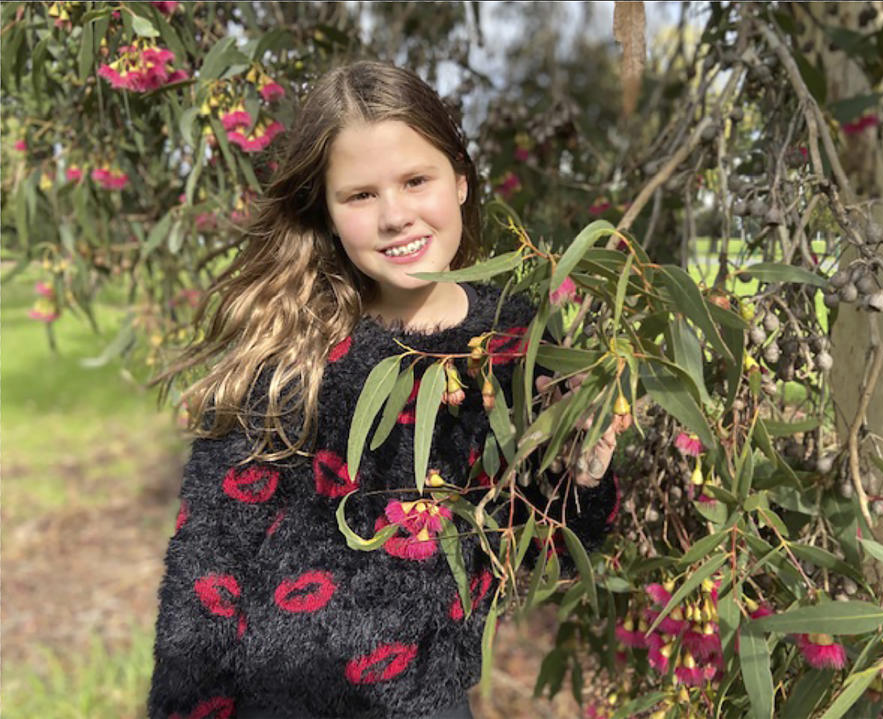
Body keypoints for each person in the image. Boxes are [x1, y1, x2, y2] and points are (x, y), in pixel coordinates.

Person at [146, 59, 623, 719]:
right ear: (327, 211)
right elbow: (207, 572)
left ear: (460, 181)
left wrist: (588, 475)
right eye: (361, 195)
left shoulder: (516, 337)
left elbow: (549, 543)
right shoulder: (289, 351)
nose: (395, 215)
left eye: (415, 180)